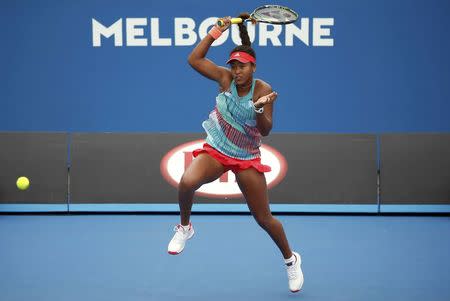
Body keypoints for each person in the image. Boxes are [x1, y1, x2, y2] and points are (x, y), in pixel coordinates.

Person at [167, 14, 304, 293]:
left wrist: (259, 109)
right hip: (217, 148)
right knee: (187, 182)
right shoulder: (224, 77)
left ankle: (291, 260)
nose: (237, 71)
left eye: (242, 66)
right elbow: (194, 60)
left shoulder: (263, 90)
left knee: (264, 218)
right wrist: (216, 31)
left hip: (246, 157)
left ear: (253, 67)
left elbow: (265, 131)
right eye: (234, 66)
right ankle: (184, 228)